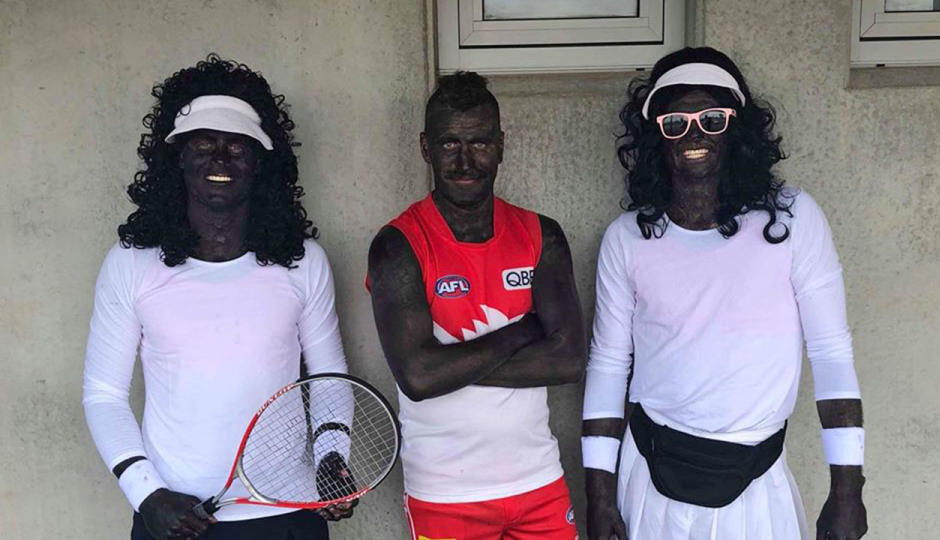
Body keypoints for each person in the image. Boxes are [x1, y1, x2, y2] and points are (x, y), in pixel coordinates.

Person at [582, 47, 868, 540]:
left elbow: (830, 353)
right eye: (677, 121)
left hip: (755, 486)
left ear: (736, 128)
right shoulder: (628, 239)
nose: (695, 133)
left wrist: (847, 491)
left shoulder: (792, 221)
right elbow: (608, 366)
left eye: (713, 118)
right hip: (650, 476)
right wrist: (598, 496)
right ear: (657, 137)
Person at [82, 55, 355, 540]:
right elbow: (103, 395)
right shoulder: (130, 264)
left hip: (288, 513)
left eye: (237, 147)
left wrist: (332, 457)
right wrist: (147, 493)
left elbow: (330, 378)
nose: (220, 160)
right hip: (173, 518)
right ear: (178, 158)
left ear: (259, 162)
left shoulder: (303, 261)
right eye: (204, 144)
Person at [367, 71, 585, 539]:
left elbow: (568, 360)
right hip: (445, 495)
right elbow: (419, 379)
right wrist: (523, 332)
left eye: (480, 143)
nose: (465, 161)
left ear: (502, 145)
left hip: (540, 484)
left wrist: (448, 363)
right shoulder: (398, 245)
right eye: (449, 145)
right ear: (426, 147)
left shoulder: (540, 234)